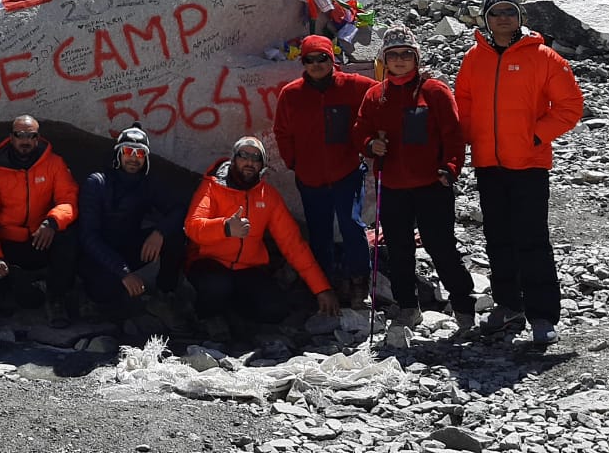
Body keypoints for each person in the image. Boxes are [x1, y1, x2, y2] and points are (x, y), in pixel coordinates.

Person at [455, 0, 584, 345]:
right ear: (485, 18)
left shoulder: (543, 57)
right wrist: (468, 138)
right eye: (495, 13)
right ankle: (508, 304)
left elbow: (570, 105)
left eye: (509, 12)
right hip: (488, 163)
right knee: (498, 239)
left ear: (520, 17)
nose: (502, 19)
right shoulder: (473, 58)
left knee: (532, 239)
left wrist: (537, 136)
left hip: (528, 163)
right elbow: (462, 102)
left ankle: (542, 315)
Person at [352, 26, 475, 332]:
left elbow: (454, 135)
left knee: (441, 246)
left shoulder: (435, 91)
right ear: (385, 60)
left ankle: (463, 305)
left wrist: (450, 168)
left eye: (407, 54)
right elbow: (359, 129)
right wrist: (370, 144)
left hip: (433, 185)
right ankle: (408, 307)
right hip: (393, 186)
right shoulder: (375, 95)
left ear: (417, 57)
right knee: (399, 249)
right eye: (393, 55)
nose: (400, 60)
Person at [183, 136, 339, 337]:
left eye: (256, 158)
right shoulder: (212, 187)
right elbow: (192, 227)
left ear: (262, 166)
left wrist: (321, 289)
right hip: (209, 262)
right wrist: (225, 228)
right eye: (244, 156)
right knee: (217, 287)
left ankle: (234, 316)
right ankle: (203, 317)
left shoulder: (268, 196)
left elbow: (293, 245)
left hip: (247, 268)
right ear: (233, 159)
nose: (249, 162)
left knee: (275, 309)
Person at [272, 35, 376, 305]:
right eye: (310, 59)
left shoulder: (353, 86)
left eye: (322, 58)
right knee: (319, 233)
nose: (316, 64)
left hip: (347, 171)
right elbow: (281, 131)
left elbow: (385, 94)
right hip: (309, 177)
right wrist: (292, 161)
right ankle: (323, 285)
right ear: (302, 62)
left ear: (333, 59)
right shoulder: (291, 93)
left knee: (351, 224)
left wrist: (418, 81)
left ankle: (359, 281)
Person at [0, 114, 80, 326]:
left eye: (31, 136)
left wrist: (52, 222)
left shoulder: (54, 164)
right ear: (11, 137)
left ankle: (56, 298)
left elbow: (69, 199)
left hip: (41, 238)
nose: (25, 141)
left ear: (38, 138)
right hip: (9, 243)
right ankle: (7, 292)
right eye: (20, 135)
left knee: (68, 235)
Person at [78, 126, 186, 317]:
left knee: (175, 234)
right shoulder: (97, 183)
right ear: (119, 154)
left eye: (140, 153)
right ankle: (84, 298)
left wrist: (159, 232)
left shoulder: (147, 184)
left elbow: (179, 209)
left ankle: (163, 296)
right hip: (98, 257)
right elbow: (88, 237)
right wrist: (123, 272)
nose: (134, 158)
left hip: (129, 248)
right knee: (106, 291)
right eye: (128, 151)